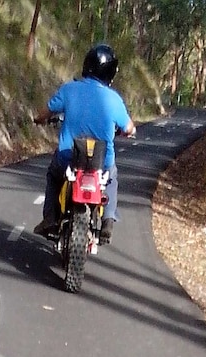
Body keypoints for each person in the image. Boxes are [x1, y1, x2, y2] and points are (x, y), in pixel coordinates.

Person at [32, 44, 136, 245]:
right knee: (112, 178)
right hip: (101, 163)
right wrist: (127, 131)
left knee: (54, 175)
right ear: (110, 72)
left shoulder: (69, 89)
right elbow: (130, 127)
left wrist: (38, 119)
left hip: (68, 158)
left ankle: (51, 218)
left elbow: (46, 111)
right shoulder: (114, 99)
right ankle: (108, 220)